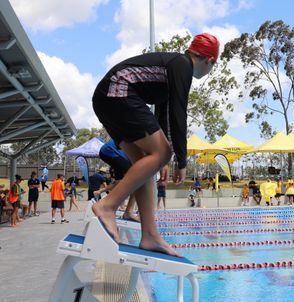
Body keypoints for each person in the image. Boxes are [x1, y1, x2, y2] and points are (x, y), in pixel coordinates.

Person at [91, 33, 219, 256]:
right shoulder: (182, 64)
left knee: (145, 164)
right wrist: (179, 158)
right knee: (161, 152)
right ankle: (107, 206)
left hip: (107, 97)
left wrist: (162, 159)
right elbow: (179, 112)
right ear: (209, 60)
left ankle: (150, 236)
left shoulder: (173, 68)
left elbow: (164, 114)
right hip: (118, 91)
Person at [97, 139, 140, 221]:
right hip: (112, 151)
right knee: (138, 180)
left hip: (107, 151)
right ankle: (108, 205)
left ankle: (109, 204)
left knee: (119, 183)